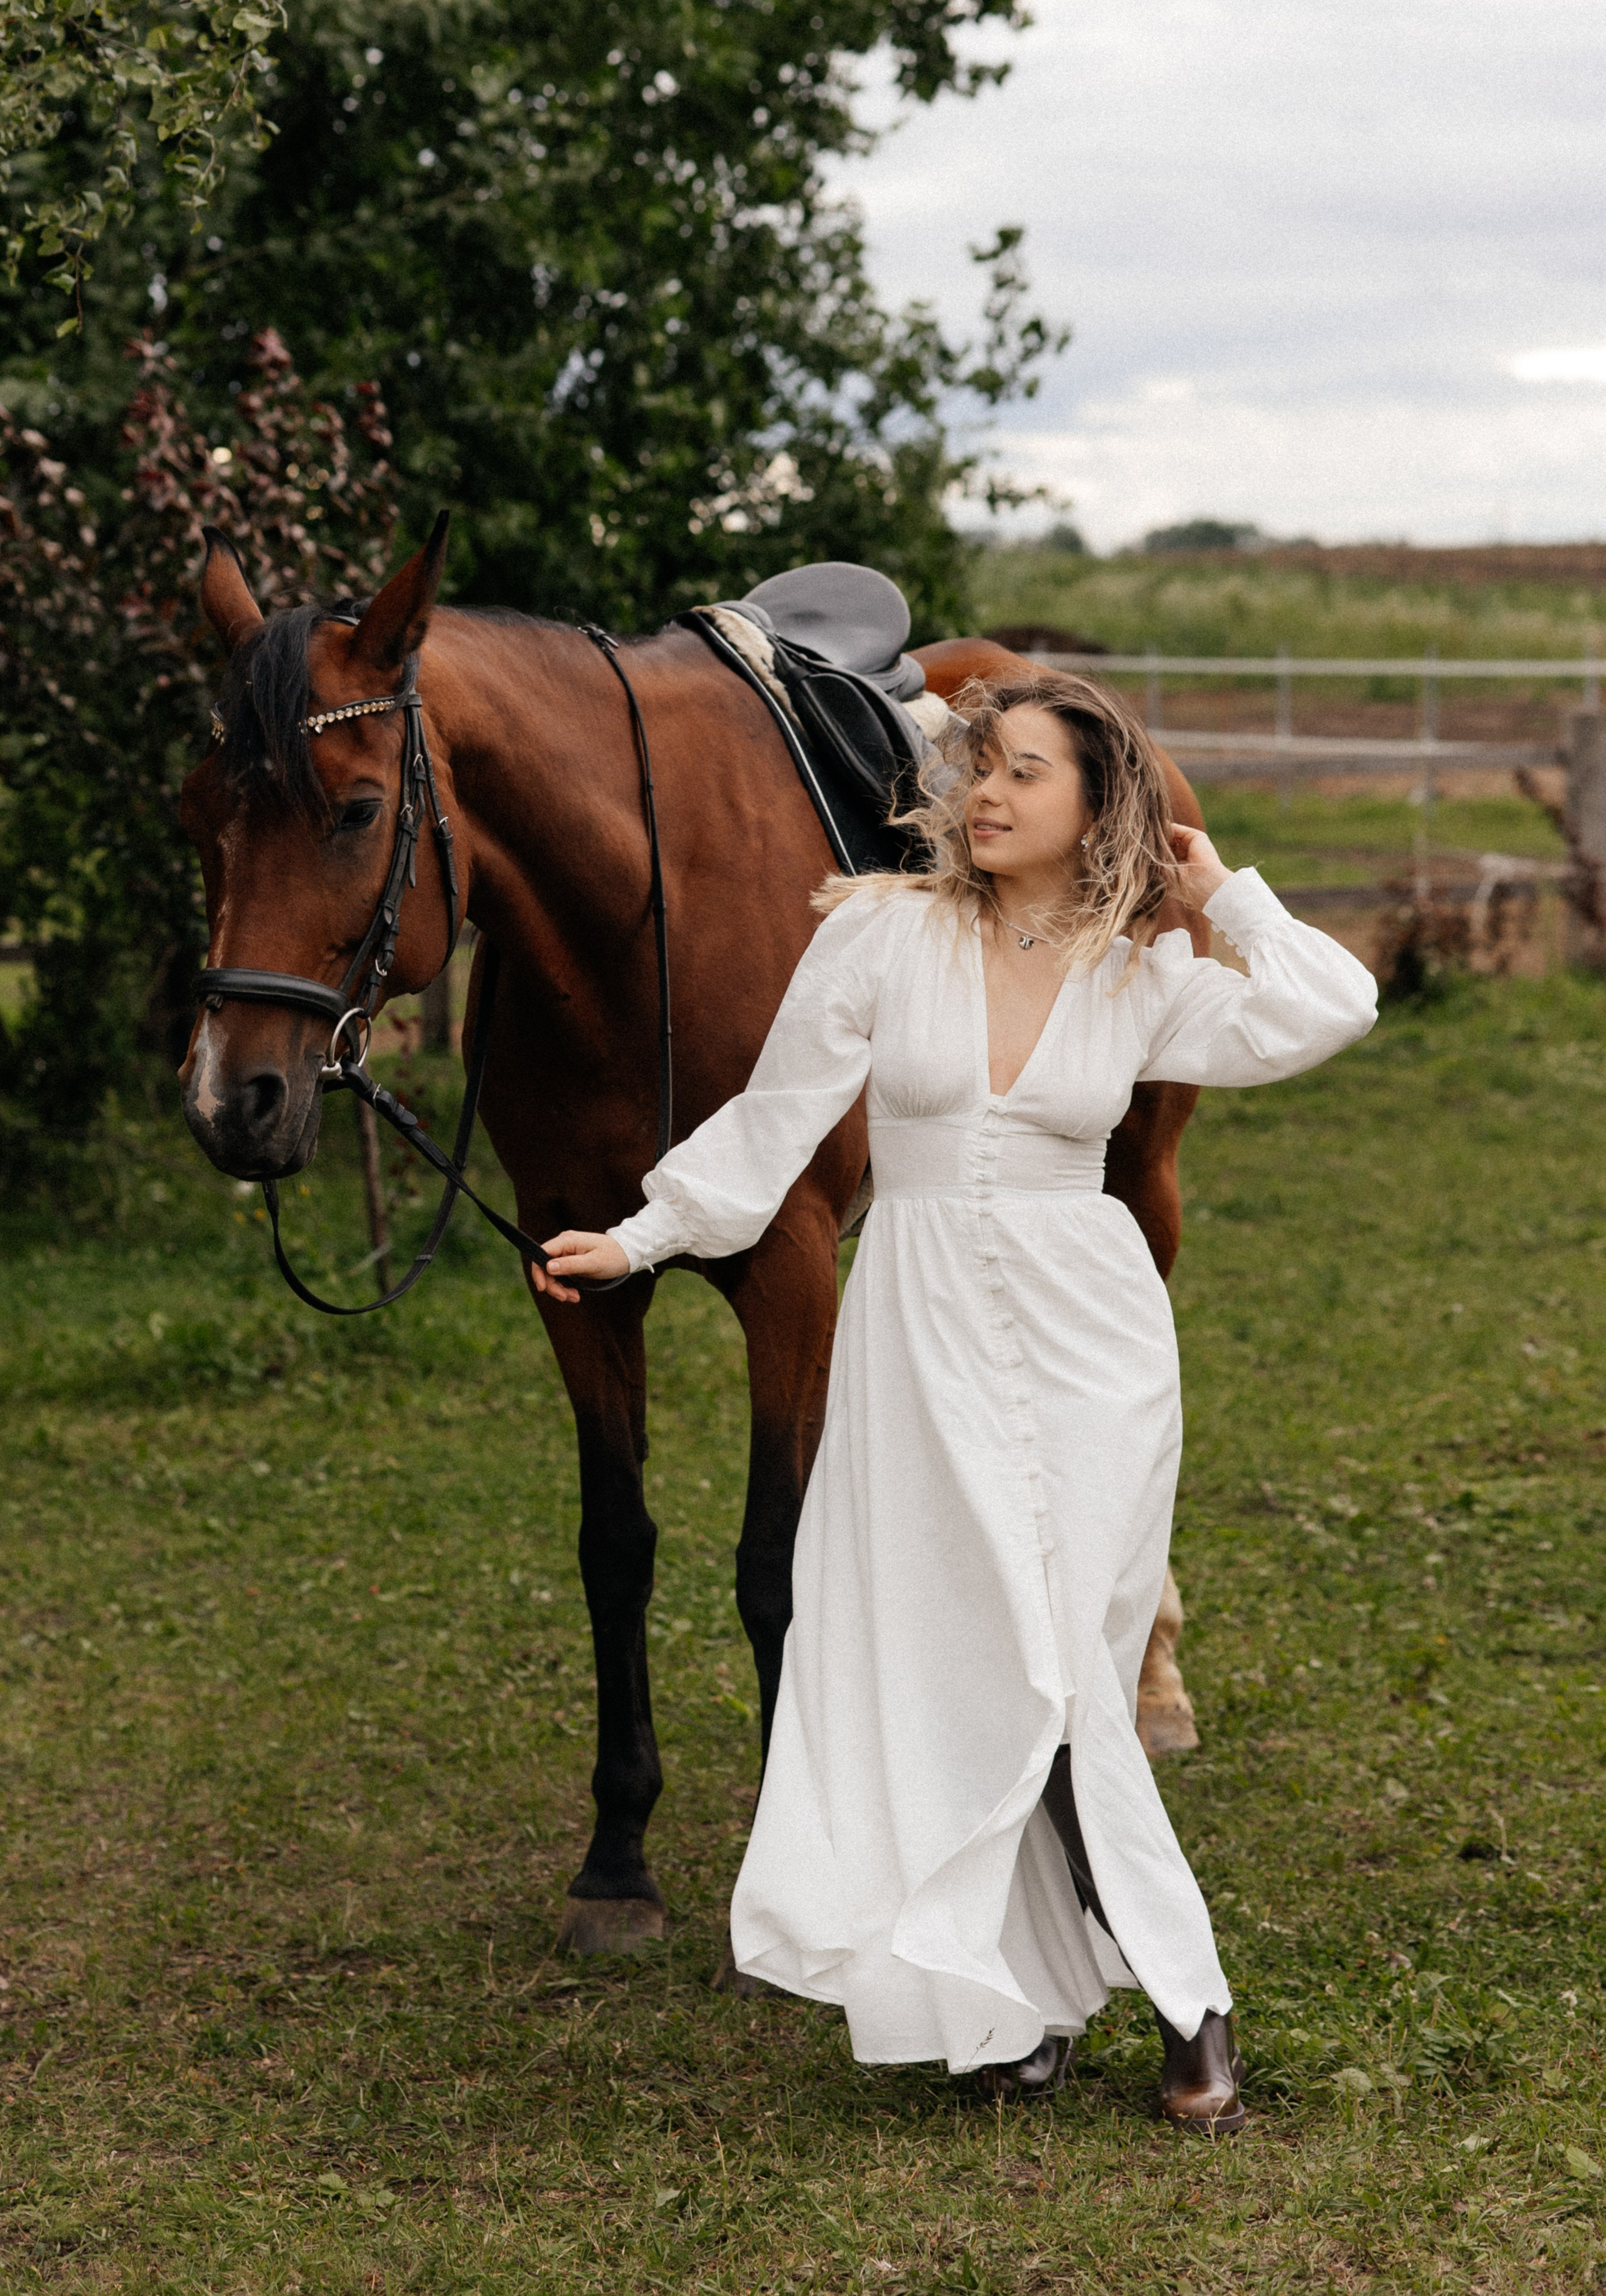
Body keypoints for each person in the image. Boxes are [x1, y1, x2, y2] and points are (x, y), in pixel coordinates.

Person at [532, 673, 1377, 2128]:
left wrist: (1220, 891)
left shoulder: (1139, 977)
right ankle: (1018, 2007)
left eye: (1026, 773)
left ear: (1094, 806)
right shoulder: (879, 934)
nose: (984, 793)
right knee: (965, 1668)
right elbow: (772, 1115)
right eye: (979, 766)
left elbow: (1330, 1007)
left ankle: (1187, 2002)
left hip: (1089, 1341)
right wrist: (644, 1234)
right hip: (914, 1335)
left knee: (1061, 1676)